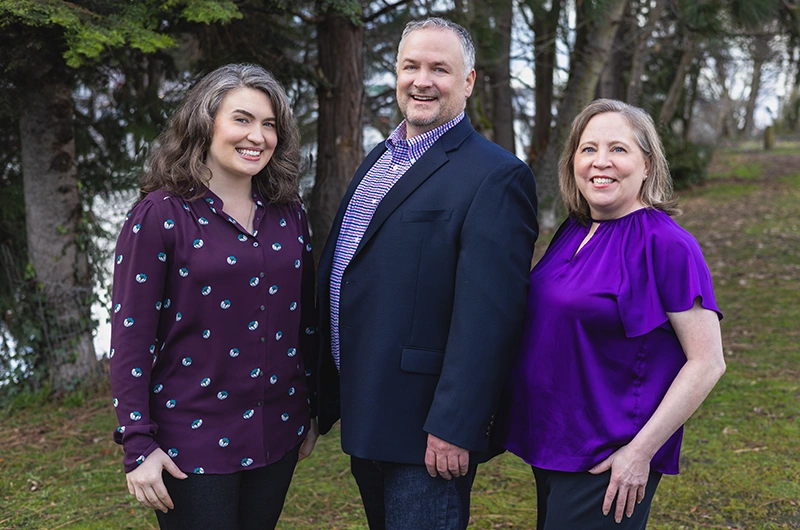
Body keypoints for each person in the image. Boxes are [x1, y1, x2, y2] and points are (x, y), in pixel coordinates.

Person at [315, 17, 539, 530]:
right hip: (368, 412)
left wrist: (457, 425)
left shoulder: (496, 175)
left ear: (468, 82)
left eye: (440, 69)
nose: (422, 80)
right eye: (410, 66)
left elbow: (490, 316)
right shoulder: (380, 158)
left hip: (428, 434)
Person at [494, 98, 726, 529]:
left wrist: (640, 453)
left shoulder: (668, 246)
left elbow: (708, 361)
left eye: (618, 149)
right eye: (588, 149)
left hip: (610, 458)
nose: (601, 162)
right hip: (553, 443)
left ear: (647, 164)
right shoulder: (575, 229)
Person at [109, 63, 318, 530]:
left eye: (269, 125)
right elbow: (131, 338)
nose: (258, 136)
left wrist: (310, 408)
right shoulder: (160, 215)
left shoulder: (289, 214)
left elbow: (304, 321)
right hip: (192, 442)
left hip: (277, 431)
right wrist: (137, 442)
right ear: (205, 123)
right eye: (242, 119)